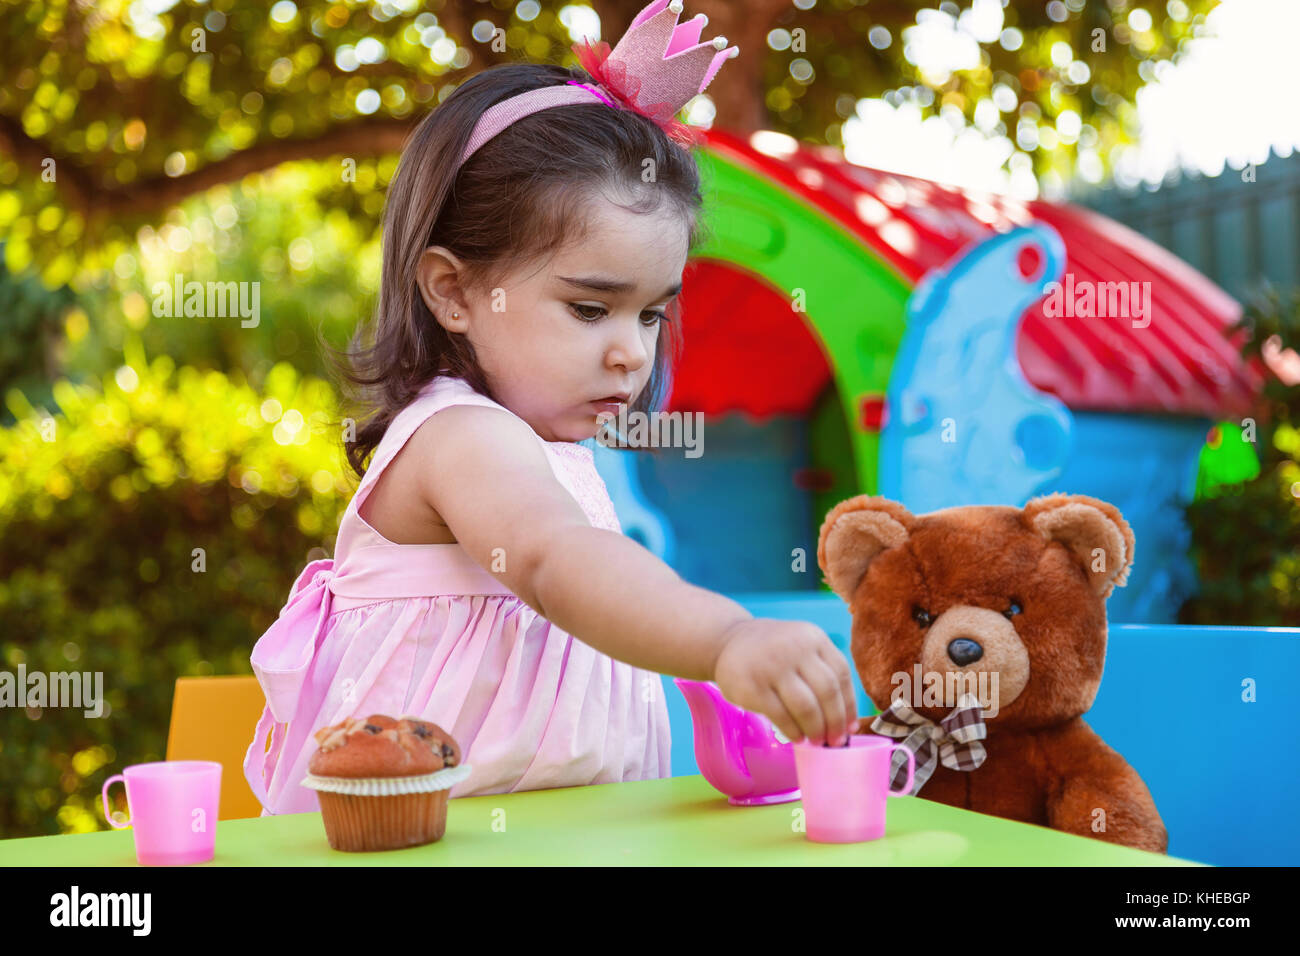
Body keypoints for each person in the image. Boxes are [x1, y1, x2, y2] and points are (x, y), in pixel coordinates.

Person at [245, 0, 857, 815]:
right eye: (588, 308)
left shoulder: (555, 451)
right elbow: (553, 561)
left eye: (650, 313)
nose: (632, 352)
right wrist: (723, 638)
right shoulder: (461, 437)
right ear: (454, 291)